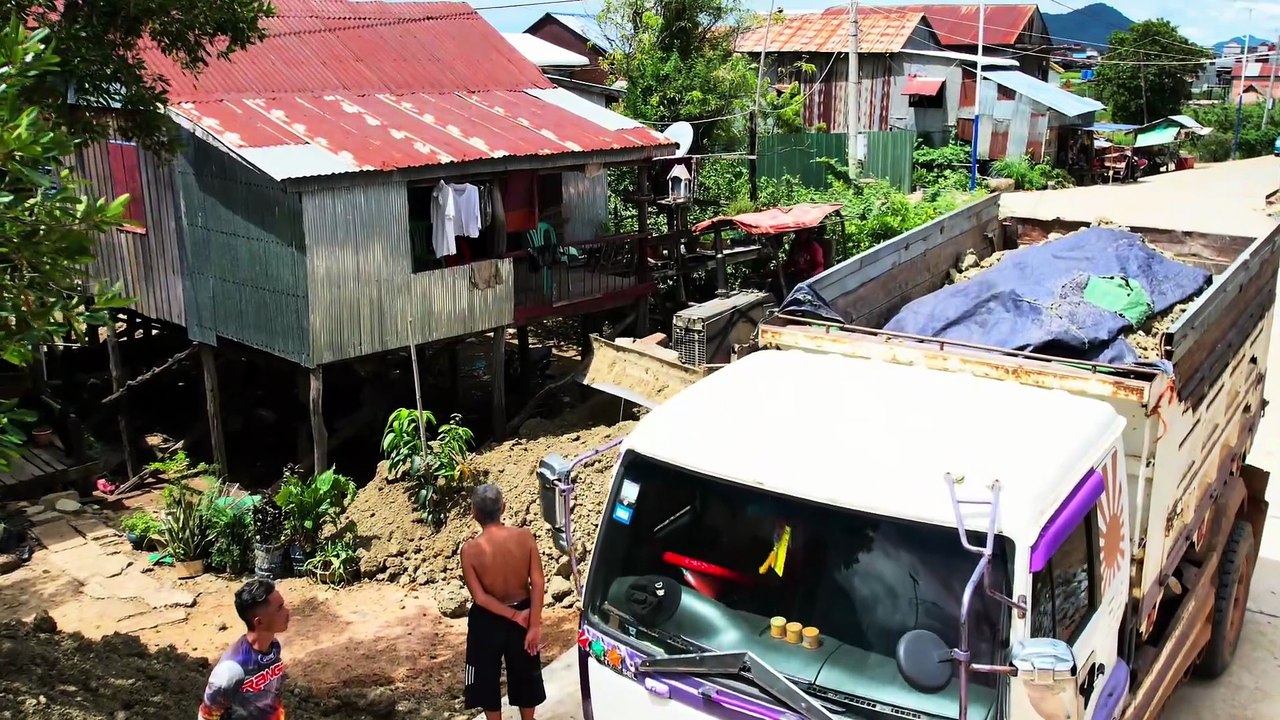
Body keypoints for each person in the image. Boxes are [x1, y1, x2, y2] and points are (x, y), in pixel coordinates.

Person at [460, 483, 547, 720]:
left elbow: (480, 597)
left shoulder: (469, 551)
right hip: (525, 613)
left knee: (485, 674)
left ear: (474, 513)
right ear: (503, 507)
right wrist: (533, 623)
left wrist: (514, 616)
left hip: (487, 620)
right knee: (525, 671)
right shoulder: (525, 537)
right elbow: (538, 582)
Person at [198, 579, 291, 720]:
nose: (287, 612)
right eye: (279, 608)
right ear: (259, 622)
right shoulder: (231, 669)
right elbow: (207, 715)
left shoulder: (273, 647)